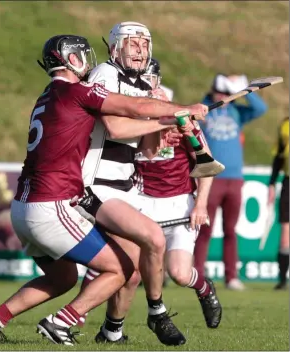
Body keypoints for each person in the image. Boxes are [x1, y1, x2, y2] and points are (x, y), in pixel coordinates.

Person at [0, 34, 208, 345]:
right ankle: (61, 322)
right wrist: (182, 109)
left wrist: (162, 120)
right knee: (121, 267)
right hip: (50, 206)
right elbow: (133, 106)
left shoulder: (46, 96)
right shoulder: (77, 92)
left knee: (62, 277)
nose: (88, 63)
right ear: (70, 58)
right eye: (83, 55)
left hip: (22, 208)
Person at [78, 21, 207, 346]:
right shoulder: (105, 75)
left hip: (119, 189)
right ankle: (156, 311)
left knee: (130, 270)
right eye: (132, 43)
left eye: (144, 44)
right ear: (114, 48)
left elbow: (148, 146)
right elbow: (116, 129)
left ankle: (111, 332)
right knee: (146, 244)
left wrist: (176, 124)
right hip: (95, 186)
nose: (139, 49)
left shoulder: (135, 85)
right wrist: (169, 114)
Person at [134, 58, 222, 330]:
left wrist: (201, 205)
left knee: (180, 274)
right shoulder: (126, 122)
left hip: (179, 206)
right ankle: (111, 328)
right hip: (141, 206)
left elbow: (206, 166)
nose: (149, 89)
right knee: (129, 273)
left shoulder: (185, 124)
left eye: (151, 82)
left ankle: (204, 288)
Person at [193, 73, 268, 290]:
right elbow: (196, 115)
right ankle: (197, 274)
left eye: (228, 93)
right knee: (204, 228)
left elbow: (260, 109)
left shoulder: (237, 111)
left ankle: (231, 276)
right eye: (222, 92)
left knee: (230, 230)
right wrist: (213, 101)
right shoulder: (207, 108)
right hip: (212, 178)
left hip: (234, 178)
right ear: (214, 92)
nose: (225, 96)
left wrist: (246, 90)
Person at [268, 116, 289, 290]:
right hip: (288, 182)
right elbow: (279, 156)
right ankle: (282, 280)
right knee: (285, 231)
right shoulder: (285, 125)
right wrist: (272, 183)